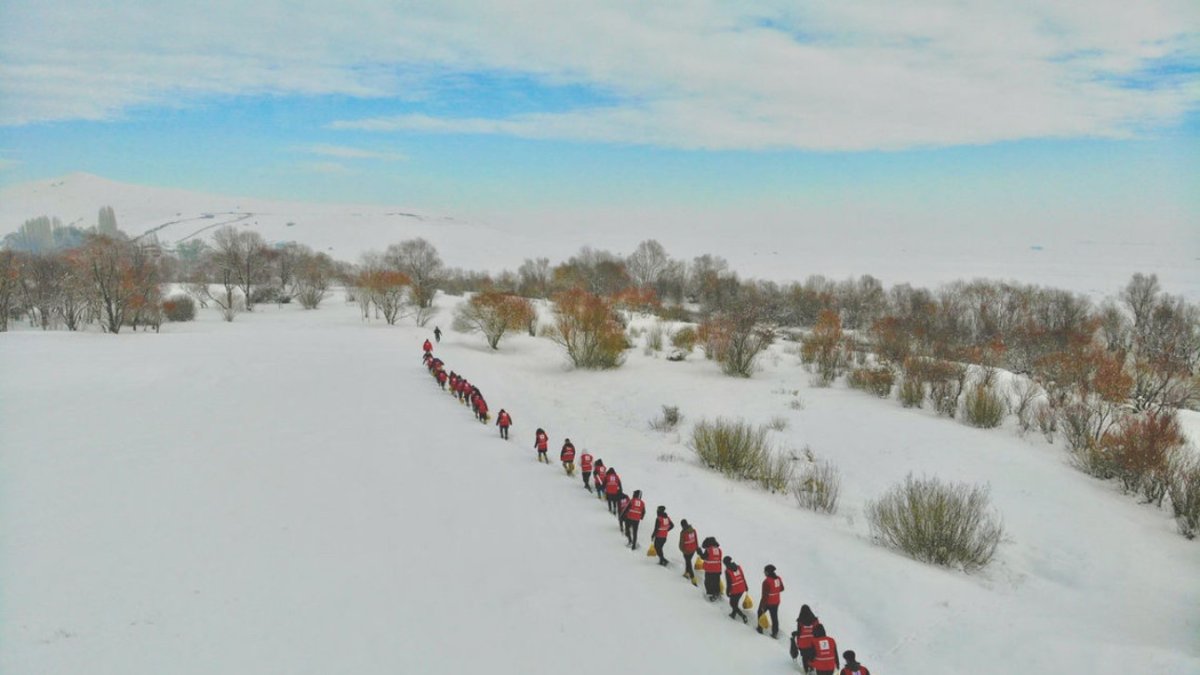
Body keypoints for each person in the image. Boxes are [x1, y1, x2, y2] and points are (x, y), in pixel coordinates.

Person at [790, 604, 823, 671]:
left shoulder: (800, 621)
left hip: (803, 644)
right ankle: (812, 668)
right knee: (812, 656)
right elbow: (818, 631)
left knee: (805, 657)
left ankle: (806, 670)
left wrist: (795, 634)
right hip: (813, 643)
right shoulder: (815, 621)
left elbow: (799, 633)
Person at [757, 564, 784, 638]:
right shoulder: (778, 578)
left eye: (765, 571)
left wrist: (762, 606)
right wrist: (774, 591)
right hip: (776, 601)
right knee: (774, 617)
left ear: (768, 572)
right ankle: (775, 633)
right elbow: (782, 588)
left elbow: (764, 596)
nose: (764, 573)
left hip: (768, 602)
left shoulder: (766, 582)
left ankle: (760, 628)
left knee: (760, 613)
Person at [723, 556, 749, 623]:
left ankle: (743, 616)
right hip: (742, 588)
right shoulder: (738, 567)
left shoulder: (727, 571)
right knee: (735, 603)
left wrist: (727, 591)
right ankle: (733, 614)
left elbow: (729, 583)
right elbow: (743, 577)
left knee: (732, 604)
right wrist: (746, 586)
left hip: (735, 590)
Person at [698, 537, 722, 601]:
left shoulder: (708, 550)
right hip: (717, 570)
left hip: (709, 570)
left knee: (708, 582)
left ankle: (711, 594)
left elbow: (703, 557)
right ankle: (717, 593)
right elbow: (719, 560)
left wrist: (699, 552)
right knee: (716, 582)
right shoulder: (719, 550)